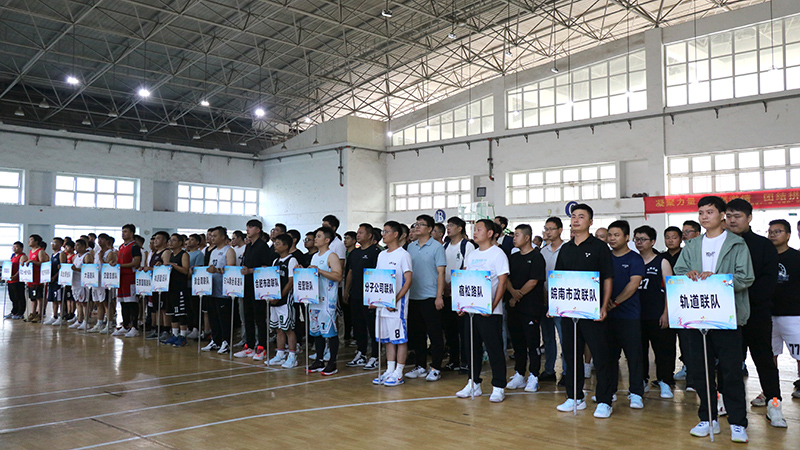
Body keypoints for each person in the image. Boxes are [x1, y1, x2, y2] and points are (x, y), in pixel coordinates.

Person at [674, 195, 754, 443]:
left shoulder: (736, 244)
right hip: (697, 317)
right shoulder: (692, 245)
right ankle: (708, 418)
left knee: (731, 372)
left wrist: (717, 280)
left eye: (709, 212)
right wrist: (689, 274)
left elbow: (745, 277)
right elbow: (678, 271)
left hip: (726, 317)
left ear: (722, 216)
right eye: (701, 212)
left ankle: (737, 423)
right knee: (700, 370)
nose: (704, 216)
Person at [725, 198, 784, 426]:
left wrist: (743, 300)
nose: (732, 220)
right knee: (728, 363)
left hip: (756, 313)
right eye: (729, 216)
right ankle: (727, 403)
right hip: (727, 314)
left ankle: (774, 404)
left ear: (749, 218)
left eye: (737, 216)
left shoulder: (763, 245)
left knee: (764, 360)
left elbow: (769, 281)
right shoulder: (720, 243)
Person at [554, 204, 615, 418]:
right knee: (571, 355)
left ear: (590, 222)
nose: (576, 220)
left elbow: (607, 278)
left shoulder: (599, 247)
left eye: (581, 216)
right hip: (569, 311)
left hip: (592, 310)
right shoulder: (566, 248)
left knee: (600, 355)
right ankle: (575, 397)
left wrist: (604, 306)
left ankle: (605, 400)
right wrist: (555, 306)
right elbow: (559, 279)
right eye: (573, 216)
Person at [455, 219, 509, 402]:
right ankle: (473, 382)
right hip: (471, 311)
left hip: (490, 312)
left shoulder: (498, 254)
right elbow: (465, 279)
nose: (475, 232)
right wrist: (461, 304)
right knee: (471, 348)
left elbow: (502, 282)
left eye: (479, 229)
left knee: (494, 349)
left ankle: (499, 386)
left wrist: (492, 306)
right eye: (474, 229)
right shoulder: (472, 255)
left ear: (490, 233)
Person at [606, 220, 646, 409]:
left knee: (634, 356)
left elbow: (633, 284)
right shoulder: (605, 257)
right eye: (610, 235)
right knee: (608, 357)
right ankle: (609, 391)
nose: (612, 238)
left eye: (616, 235)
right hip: (607, 316)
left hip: (629, 316)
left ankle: (636, 393)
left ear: (627, 237)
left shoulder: (634, 259)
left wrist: (614, 302)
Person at [634, 225, 676, 399]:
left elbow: (670, 290)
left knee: (663, 350)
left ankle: (665, 381)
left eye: (643, 239)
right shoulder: (633, 261)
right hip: (637, 315)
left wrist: (666, 312)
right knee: (639, 351)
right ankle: (642, 380)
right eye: (636, 239)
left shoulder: (662, 262)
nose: (639, 243)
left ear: (652, 241)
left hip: (658, 314)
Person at [504, 224, 546, 393]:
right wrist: (513, 294)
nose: (514, 238)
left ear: (527, 238)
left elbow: (533, 281)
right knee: (518, 342)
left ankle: (534, 376)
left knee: (532, 342)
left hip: (531, 307)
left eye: (517, 235)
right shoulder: (513, 257)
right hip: (514, 307)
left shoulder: (537, 257)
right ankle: (519, 374)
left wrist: (517, 295)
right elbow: (506, 278)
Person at [405, 214, 446, 382]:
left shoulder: (437, 247)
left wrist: (439, 296)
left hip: (430, 297)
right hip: (413, 296)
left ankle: (436, 368)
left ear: (430, 229)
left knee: (435, 335)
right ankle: (420, 366)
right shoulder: (411, 247)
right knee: (417, 334)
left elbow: (441, 273)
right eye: (416, 224)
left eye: (421, 224)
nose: (417, 227)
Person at [372, 221, 413, 386]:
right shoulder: (382, 255)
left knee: (399, 338)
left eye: (386, 231)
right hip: (382, 306)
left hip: (397, 306)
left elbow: (408, 280)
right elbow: (377, 279)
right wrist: (374, 300)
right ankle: (390, 369)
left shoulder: (403, 255)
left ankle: (399, 372)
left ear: (395, 234)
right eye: (383, 231)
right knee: (388, 338)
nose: (383, 234)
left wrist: (394, 300)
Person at [768, 219, 800, 401]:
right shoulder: (765, 258)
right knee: (769, 354)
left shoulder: (797, 257)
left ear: (788, 235)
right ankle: (770, 391)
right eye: (770, 231)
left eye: (778, 231)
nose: (773, 235)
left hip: (794, 315)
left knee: (799, 354)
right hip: (769, 314)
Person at [344, 223, 381, 369]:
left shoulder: (376, 252)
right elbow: (350, 272)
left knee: (372, 326)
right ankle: (361, 353)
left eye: (361, 233)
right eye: (357, 232)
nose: (358, 235)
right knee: (358, 325)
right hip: (356, 295)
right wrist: (346, 290)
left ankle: (375, 356)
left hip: (370, 297)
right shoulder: (354, 253)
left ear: (369, 235)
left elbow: (378, 275)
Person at [307, 226, 343, 376]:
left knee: (329, 332)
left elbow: (338, 276)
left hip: (327, 300)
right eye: (315, 236)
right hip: (314, 299)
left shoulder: (331, 255)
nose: (315, 239)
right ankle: (319, 360)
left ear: (327, 240)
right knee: (316, 332)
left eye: (319, 236)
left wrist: (320, 271)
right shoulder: (315, 256)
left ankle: (332, 363)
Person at [236, 219, 274, 360]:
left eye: (251, 227)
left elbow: (266, 267)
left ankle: (262, 347)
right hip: (246, 286)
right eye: (247, 227)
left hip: (258, 287)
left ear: (258, 230)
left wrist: (251, 271)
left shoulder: (262, 247)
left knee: (259, 318)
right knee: (248, 317)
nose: (248, 230)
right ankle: (249, 346)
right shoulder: (249, 246)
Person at [443, 217, 475, 373]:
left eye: (451, 225)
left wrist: (452, 284)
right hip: (446, 293)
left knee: (464, 330)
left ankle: (466, 361)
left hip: (460, 295)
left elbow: (466, 267)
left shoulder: (467, 246)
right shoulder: (445, 246)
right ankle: (453, 360)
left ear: (460, 228)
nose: (448, 228)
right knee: (450, 330)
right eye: (447, 225)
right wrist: (444, 285)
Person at [201, 227, 237, 354]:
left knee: (224, 319)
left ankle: (226, 342)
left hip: (224, 291)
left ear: (222, 237)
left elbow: (231, 269)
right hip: (212, 289)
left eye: (215, 236)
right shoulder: (213, 251)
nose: (212, 238)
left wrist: (216, 270)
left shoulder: (229, 250)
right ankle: (215, 341)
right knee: (213, 318)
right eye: (211, 236)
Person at [266, 233, 299, 368]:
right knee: (278, 329)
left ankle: (292, 356)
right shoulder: (275, 261)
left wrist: (280, 296)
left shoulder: (292, 260)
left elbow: (291, 282)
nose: (275, 245)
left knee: (288, 329)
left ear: (286, 246)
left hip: (286, 301)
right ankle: (280, 354)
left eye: (278, 243)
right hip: (275, 301)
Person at [540, 217, 565, 384]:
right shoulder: (543, 251)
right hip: (544, 299)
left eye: (551, 229)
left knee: (563, 337)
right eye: (546, 229)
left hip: (561, 301)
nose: (548, 232)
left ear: (560, 230)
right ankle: (549, 369)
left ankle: (566, 371)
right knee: (548, 338)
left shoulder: (567, 249)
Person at [162, 234, 191, 347]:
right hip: (171, 288)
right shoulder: (171, 255)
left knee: (181, 313)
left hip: (180, 288)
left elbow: (185, 270)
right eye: (170, 240)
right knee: (172, 312)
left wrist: (172, 265)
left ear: (180, 243)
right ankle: (174, 335)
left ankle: (183, 337)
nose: (170, 242)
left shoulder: (184, 254)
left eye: (173, 240)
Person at [114, 224, 142, 337]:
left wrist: (121, 266)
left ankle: (134, 327)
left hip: (130, 278)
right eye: (122, 231)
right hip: (121, 278)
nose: (123, 233)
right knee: (123, 303)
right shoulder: (121, 246)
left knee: (132, 303)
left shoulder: (134, 246)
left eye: (125, 231)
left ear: (131, 233)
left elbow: (136, 262)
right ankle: (125, 326)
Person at [24, 235, 48, 323]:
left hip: (38, 279)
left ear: (36, 241)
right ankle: (33, 313)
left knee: (39, 297)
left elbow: (42, 263)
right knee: (32, 298)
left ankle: (39, 314)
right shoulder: (31, 251)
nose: (29, 241)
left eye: (31, 240)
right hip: (31, 278)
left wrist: (32, 261)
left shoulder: (40, 251)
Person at [69, 239, 92, 330]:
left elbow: (89, 270)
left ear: (83, 246)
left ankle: (86, 321)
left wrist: (76, 269)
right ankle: (79, 320)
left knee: (84, 303)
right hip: (75, 282)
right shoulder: (75, 257)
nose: (75, 247)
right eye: (75, 245)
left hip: (83, 283)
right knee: (78, 302)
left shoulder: (87, 256)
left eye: (77, 245)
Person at [42, 238, 63, 325]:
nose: (53, 244)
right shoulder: (52, 255)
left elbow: (62, 268)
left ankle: (61, 317)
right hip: (51, 281)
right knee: (53, 300)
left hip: (58, 281)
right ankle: (54, 316)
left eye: (55, 243)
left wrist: (55, 277)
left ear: (60, 244)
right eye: (52, 242)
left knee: (59, 300)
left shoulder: (61, 254)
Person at [6, 241, 28, 319]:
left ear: (21, 248)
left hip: (17, 280)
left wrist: (16, 275)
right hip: (10, 280)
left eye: (17, 247)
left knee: (19, 296)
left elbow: (22, 268)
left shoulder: (23, 256)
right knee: (12, 297)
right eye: (13, 247)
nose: (14, 248)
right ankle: (14, 311)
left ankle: (20, 313)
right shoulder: (13, 256)